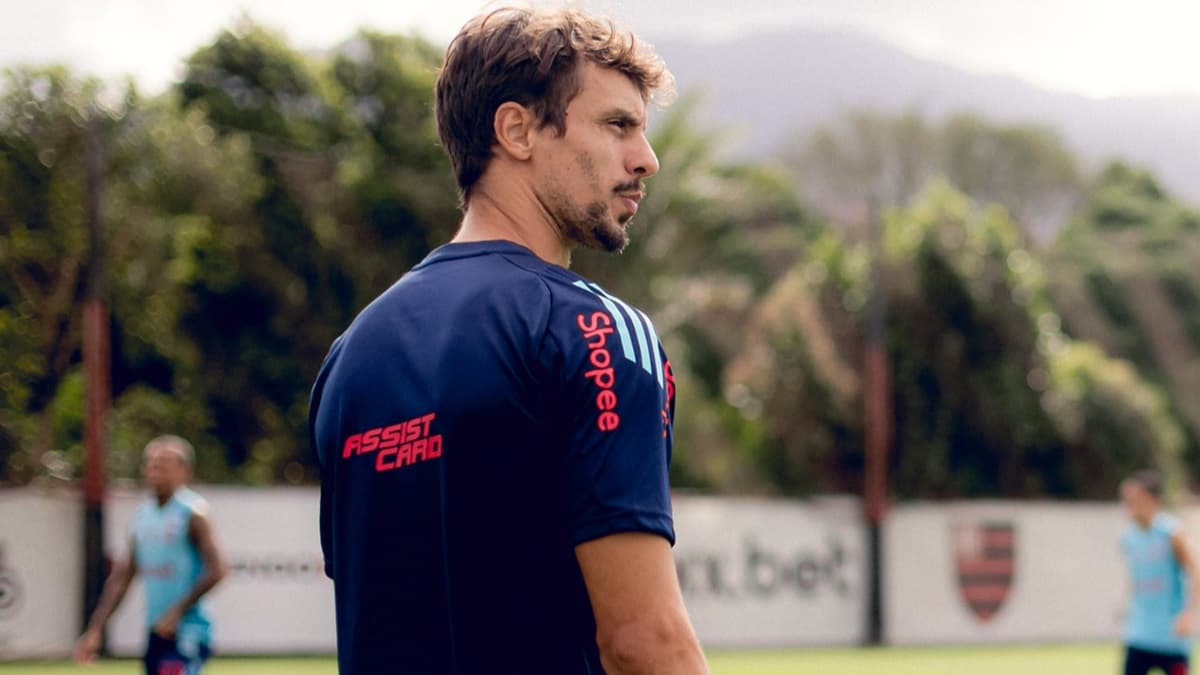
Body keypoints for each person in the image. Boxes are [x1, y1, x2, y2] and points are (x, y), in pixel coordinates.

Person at [309, 6, 708, 674]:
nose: (647, 159)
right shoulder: (594, 330)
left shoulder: (350, 354)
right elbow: (644, 640)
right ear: (517, 130)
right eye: (618, 125)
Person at [75, 435, 228, 675]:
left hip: (188, 629)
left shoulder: (193, 513)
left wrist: (177, 612)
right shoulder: (142, 516)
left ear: (184, 471)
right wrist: (96, 628)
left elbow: (218, 571)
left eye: (163, 465)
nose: (155, 471)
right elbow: (123, 578)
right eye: (151, 464)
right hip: (155, 628)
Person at [1120, 469, 1198, 675]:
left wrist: (1189, 614)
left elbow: (1195, 571)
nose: (1126, 505)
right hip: (1139, 635)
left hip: (1171, 637)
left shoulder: (1171, 532)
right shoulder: (1129, 538)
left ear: (1149, 498)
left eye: (1132, 499)